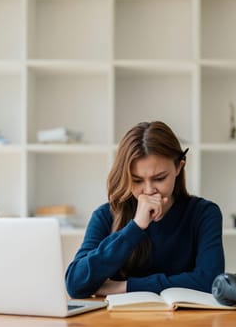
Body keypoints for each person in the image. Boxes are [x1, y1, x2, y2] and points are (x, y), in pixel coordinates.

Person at [65, 121, 225, 299]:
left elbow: (211, 282)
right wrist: (135, 227)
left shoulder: (204, 214)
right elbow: (75, 284)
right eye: (137, 180)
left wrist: (125, 287)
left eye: (159, 178)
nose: (148, 190)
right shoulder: (105, 215)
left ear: (179, 167)